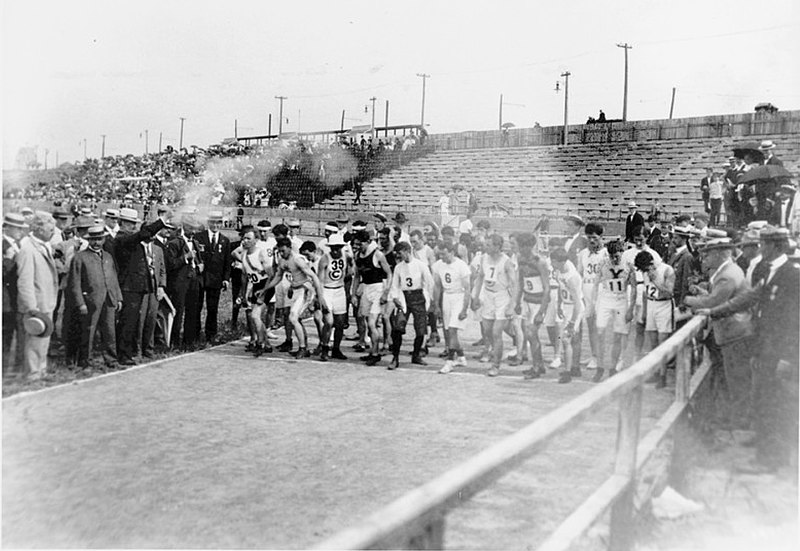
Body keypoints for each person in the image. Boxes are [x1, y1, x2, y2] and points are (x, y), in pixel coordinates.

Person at [699, 227, 798, 472]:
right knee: (762, 396)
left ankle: (773, 459)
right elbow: (750, 298)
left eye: (762, 244)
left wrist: (788, 356)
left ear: (775, 246)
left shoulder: (791, 275)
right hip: (763, 346)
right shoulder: (767, 270)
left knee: (775, 401)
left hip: (779, 350)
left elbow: (794, 321)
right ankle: (765, 445)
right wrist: (713, 312)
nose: (757, 249)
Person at [684, 238, 754, 426]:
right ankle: (734, 417)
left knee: (736, 378)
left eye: (708, 254)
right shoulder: (728, 271)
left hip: (734, 332)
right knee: (731, 376)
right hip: (733, 331)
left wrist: (688, 300)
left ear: (718, 254)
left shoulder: (727, 274)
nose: (704, 257)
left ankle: (739, 420)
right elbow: (717, 298)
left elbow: (712, 303)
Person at [113, 207, 168, 366]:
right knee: (127, 323)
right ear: (121, 223)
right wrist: (161, 222)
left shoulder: (128, 238)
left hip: (137, 286)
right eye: (129, 223)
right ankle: (123, 355)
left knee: (133, 322)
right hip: (129, 287)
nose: (131, 226)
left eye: (133, 223)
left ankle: (128, 353)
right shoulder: (122, 239)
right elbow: (144, 234)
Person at [66, 226, 123, 370]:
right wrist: (80, 303)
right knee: (88, 332)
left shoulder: (108, 257)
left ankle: (111, 360)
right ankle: (85, 362)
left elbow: (114, 278)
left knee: (110, 331)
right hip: (91, 301)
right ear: (89, 240)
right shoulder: (80, 257)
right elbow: (75, 283)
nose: (96, 242)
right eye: (93, 239)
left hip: (109, 300)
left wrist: (118, 298)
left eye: (99, 239)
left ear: (104, 239)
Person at [264, 237, 327, 358]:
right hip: (294, 290)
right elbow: (277, 277)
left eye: (283, 251)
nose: (281, 253)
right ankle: (304, 346)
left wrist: (319, 297)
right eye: (280, 251)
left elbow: (314, 277)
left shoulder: (298, 259)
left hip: (304, 290)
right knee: (293, 318)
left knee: (293, 318)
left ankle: (303, 348)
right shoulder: (282, 260)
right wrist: (265, 290)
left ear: (289, 248)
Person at [15, 211, 58, 380]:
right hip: (36, 304)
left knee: (43, 339)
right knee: (34, 340)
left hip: (47, 300)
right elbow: (25, 281)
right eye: (50, 230)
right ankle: (33, 373)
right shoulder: (27, 249)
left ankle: (41, 369)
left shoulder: (44, 245)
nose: (53, 232)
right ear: (39, 229)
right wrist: (31, 307)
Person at [471, 233, 517, 377]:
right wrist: (476, 297)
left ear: (497, 247)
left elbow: (515, 285)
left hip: (502, 297)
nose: (485, 247)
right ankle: (497, 350)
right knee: (487, 330)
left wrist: (512, 305)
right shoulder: (484, 258)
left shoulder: (506, 262)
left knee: (497, 332)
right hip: (488, 295)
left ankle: (496, 365)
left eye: (489, 245)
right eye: (485, 244)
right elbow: (480, 278)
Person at [592, 240, 635, 381]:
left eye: (617, 256)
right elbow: (595, 284)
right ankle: (599, 367)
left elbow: (634, 288)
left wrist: (631, 308)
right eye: (612, 256)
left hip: (621, 299)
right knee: (600, 333)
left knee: (617, 335)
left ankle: (612, 368)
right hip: (606, 298)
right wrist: (593, 303)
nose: (614, 259)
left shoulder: (629, 265)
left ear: (622, 253)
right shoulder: (603, 263)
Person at [388, 241, 434, 369]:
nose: (399, 256)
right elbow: (395, 285)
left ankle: (416, 355)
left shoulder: (421, 265)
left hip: (418, 297)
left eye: (401, 253)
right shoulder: (399, 267)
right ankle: (395, 358)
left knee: (420, 330)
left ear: (407, 251)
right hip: (404, 297)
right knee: (398, 328)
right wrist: (395, 297)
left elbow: (429, 283)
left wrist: (430, 299)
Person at [351, 230, 393, 364]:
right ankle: (373, 351)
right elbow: (357, 277)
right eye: (356, 244)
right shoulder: (357, 255)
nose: (357, 246)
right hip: (366, 289)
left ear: (368, 242)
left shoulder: (378, 254)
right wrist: (353, 294)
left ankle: (376, 353)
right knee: (367, 322)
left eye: (360, 244)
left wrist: (386, 293)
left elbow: (389, 274)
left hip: (378, 289)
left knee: (372, 323)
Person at [513, 232, 550, 379]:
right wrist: (517, 302)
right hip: (527, 301)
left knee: (531, 334)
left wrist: (542, 311)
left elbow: (547, 288)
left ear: (531, 246)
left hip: (538, 302)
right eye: (520, 246)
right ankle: (539, 365)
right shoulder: (520, 258)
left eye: (525, 246)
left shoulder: (540, 261)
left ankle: (536, 367)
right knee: (530, 335)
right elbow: (521, 281)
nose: (522, 249)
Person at [635, 250, 675, 388]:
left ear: (652, 263)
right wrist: (645, 312)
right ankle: (656, 373)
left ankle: (663, 376)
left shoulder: (667, 270)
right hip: (651, 304)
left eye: (646, 269)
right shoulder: (646, 272)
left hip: (664, 305)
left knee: (662, 341)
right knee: (652, 343)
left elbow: (669, 292)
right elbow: (646, 292)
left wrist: (655, 281)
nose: (645, 271)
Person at [432, 241, 471, 374]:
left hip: (459, 297)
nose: (441, 257)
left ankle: (449, 361)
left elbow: (467, 289)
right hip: (447, 297)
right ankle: (461, 357)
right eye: (440, 254)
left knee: (453, 330)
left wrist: (465, 309)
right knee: (448, 331)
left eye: (444, 254)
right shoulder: (438, 265)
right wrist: (436, 304)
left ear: (452, 252)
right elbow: (437, 286)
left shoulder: (461, 266)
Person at [165, 217, 203, 349]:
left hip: (194, 281)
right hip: (180, 282)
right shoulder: (175, 243)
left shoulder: (196, 243)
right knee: (178, 311)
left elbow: (198, 259)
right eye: (190, 228)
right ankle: (174, 342)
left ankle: (189, 341)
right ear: (183, 227)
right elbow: (170, 264)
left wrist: (200, 265)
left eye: (194, 229)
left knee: (192, 311)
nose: (192, 232)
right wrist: (185, 258)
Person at [194, 211, 231, 344]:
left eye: (218, 222)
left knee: (212, 308)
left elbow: (227, 263)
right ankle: (195, 334)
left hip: (215, 280)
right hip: (200, 278)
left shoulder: (225, 240)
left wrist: (226, 278)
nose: (216, 225)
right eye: (213, 222)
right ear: (208, 223)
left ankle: (211, 335)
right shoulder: (199, 237)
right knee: (196, 307)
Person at [550, 248, 585, 384]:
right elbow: (560, 289)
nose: (552, 264)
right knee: (573, 340)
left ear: (562, 262)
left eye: (554, 262)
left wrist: (572, 322)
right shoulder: (560, 271)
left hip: (575, 308)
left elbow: (577, 303)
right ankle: (575, 367)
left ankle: (568, 372)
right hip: (566, 305)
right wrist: (559, 304)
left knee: (565, 339)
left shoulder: (572, 277)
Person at [238, 227, 275, 357]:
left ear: (256, 240)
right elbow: (244, 276)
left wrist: (263, 292)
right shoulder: (243, 254)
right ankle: (267, 343)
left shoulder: (261, 253)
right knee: (256, 317)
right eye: (244, 238)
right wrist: (243, 294)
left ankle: (260, 344)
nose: (245, 241)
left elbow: (271, 275)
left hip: (266, 286)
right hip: (255, 286)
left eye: (249, 238)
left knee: (255, 316)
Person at [317, 232, 352, 361]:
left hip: (340, 290)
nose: (336, 250)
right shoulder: (325, 259)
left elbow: (352, 267)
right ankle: (325, 347)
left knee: (340, 323)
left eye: (338, 247)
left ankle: (336, 349)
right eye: (333, 248)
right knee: (329, 322)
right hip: (327, 290)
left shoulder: (346, 255)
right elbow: (319, 281)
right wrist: (320, 297)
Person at [3, 213, 28, 374]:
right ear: (8, 228)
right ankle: (4, 369)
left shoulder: (19, 244)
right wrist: (8, 260)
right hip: (6, 297)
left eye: (21, 228)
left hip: (19, 297)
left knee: (21, 333)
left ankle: (18, 367)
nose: (20, 231)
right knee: (6, 334)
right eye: (17, 228)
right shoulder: (3, 245)